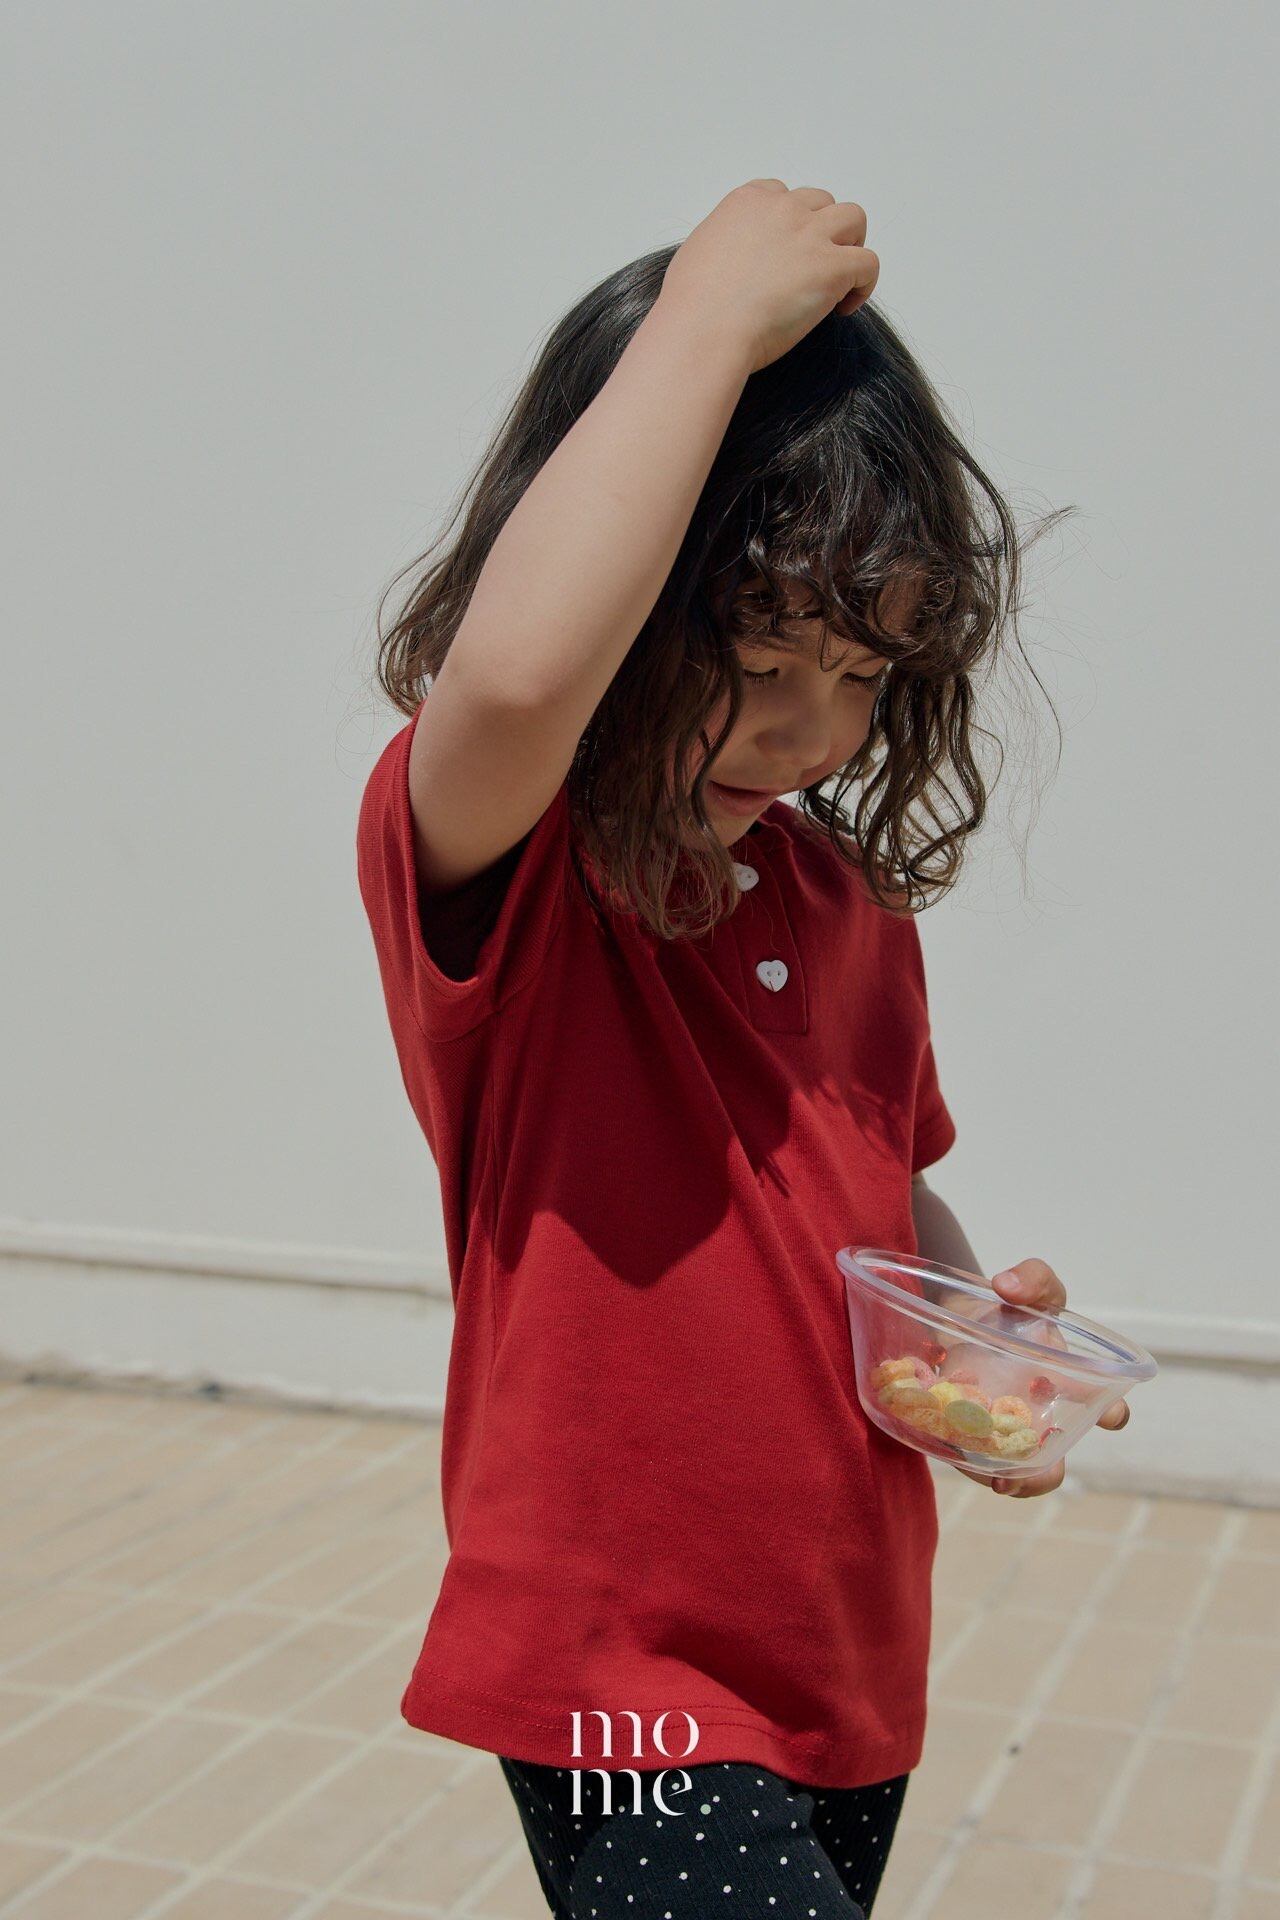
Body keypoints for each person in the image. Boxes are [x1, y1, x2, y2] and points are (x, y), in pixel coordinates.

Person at [355, 179, 1132, 1918]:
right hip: (615, 1670)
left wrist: (970, 1332)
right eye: (762, 654)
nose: (809, 729)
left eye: (862, 675)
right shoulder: (517, 863)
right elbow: (515, 682)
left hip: (848, 1653)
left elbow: (885, 1188)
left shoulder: (846, 903)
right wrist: (708, 314)